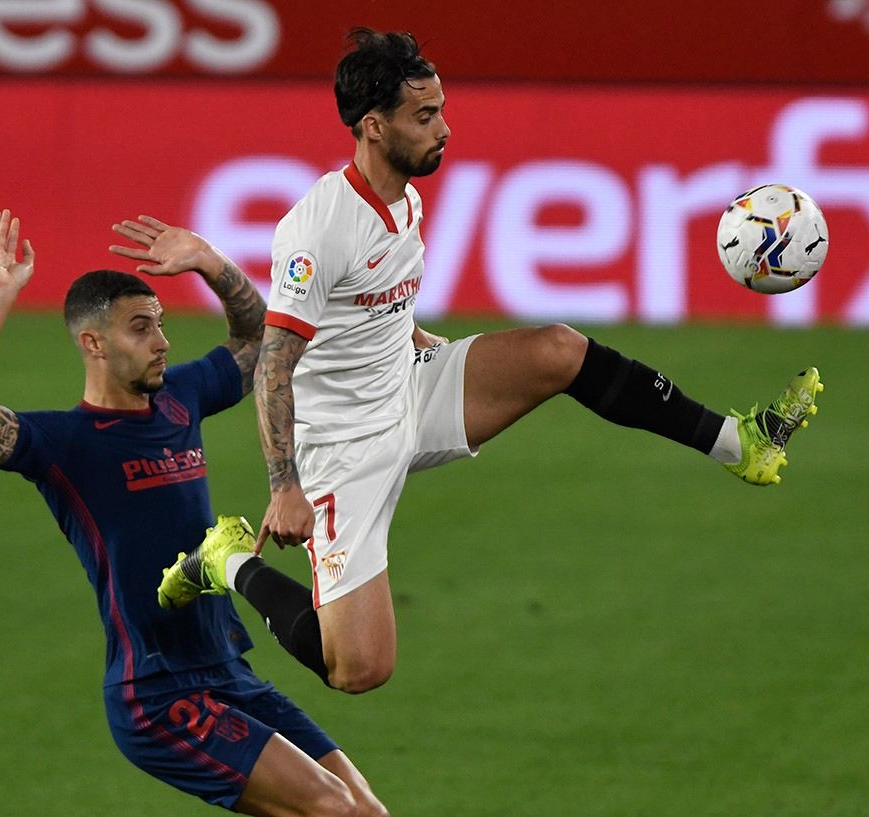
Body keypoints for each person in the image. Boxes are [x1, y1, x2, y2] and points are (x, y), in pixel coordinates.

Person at [160, 28, 823, 696]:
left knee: (557, 350)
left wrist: (426, 346)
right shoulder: (320, 226)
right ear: (373, 127)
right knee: (359, 667)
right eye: (424, 117)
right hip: (342, 449)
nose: (444, 129)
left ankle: (741, 443)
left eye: (442, 109)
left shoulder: (407, 197)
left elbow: (374, 309)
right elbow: (275, 359)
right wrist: (285, 484)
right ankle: (230, 557)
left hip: (409, 390)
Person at [0, 210, 387, 816]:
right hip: (156, 691)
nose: (162, 342)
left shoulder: (180, 398)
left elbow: (260, 346)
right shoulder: (66, 443)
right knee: (333, 811)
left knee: (366, 812)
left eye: (162, 325)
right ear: (92, 343)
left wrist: (211, 262)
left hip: (226, 669)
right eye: (141, 328)